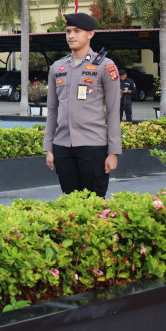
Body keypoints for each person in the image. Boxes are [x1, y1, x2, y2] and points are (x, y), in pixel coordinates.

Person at [44, 12, 121, 198]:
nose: (71, 35)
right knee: (70, 203)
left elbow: (113, 112)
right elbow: (52, 111)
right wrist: (49, 148)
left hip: (93, 146)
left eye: (77, 31)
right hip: (63, 146)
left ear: (90, 34)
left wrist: (113, 153)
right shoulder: (57, 67)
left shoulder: (105, 66)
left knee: (94, 203)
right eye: (68, 31)